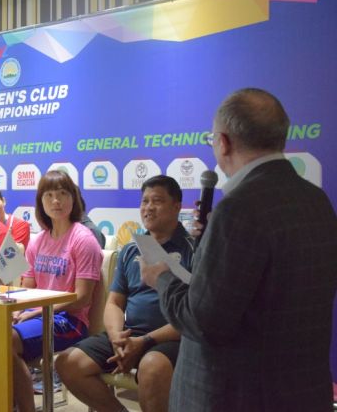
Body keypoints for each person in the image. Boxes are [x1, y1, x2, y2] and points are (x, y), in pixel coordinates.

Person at [140, 88, 337, 411]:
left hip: (237, 396)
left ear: (224, 142)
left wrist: (161, 277)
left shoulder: (238, 209)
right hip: (303, 393)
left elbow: (202, 321)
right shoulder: (317, 200)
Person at [56, 175, 195, 412]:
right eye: (144, 201)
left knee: (152, 367)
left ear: (177, 206)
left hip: (172, 338)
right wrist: (116, 337)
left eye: (157, 201)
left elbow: (194, 314)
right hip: (130, 334)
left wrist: (144, 342)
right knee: (69, 363)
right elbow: (114, 302)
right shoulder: (131, 249)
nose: (148, 208)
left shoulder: (194, 249)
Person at [12, 170, 102, 412]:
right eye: (49, 195)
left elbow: (82, 298)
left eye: (62, 194)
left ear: (74, 198)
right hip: (38, 316)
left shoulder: (83, 239)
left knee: (7, 340)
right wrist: (15, 310)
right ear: (41, 202)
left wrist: (36, 311)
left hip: (70, 321)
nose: (56, 201)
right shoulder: (37, 241)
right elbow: (27, 288)